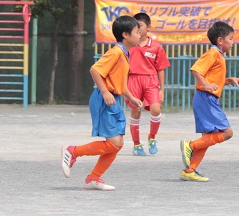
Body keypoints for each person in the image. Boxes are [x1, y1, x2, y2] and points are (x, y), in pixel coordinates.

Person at [60, 15, 143, 191]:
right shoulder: (116, 52)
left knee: (117, 144)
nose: (140, 35)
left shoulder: (125, 54)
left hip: (114, 99)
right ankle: (72, 151)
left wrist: (131, 97)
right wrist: (105, 92)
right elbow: (95, 70)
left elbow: (120, 83)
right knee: (113, 143)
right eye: (137, 32)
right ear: (125, 35)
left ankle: (93, 178)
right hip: (104, 99)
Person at [179, 21, 239, 182]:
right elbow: (196, 69)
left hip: (205, 98)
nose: (233, 42)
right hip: (206, 99)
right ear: (220, 40)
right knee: (227, 133)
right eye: (231, 38)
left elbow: (213, 79)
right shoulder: (213, 53)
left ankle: (190, 170)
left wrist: (229, 80)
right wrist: (206, 85)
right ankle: (190, 146)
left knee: (207, 138)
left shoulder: (219, 55)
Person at [127, 12, 170, 155]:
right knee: (135, 111)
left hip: (151, 80)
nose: (138, 28)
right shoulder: (129, 45)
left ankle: (152, 137)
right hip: (133, 80)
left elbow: (161, 69)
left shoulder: (156, 47)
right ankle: (136, 144)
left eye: (140, 25)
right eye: (135, 26)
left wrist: (162, 89)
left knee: (156, 109)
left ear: (148, 27)